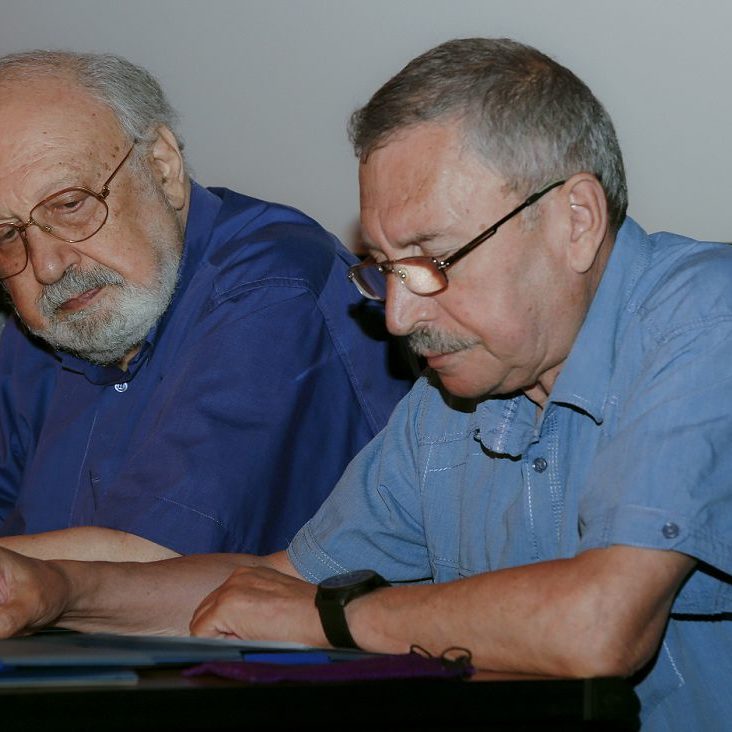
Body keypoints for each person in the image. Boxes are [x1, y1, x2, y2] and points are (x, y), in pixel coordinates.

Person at [0, 38, 730, 730]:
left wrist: (332, 617)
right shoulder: (448, 403)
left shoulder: (708, 317)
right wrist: (55, 590)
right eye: (384, 268)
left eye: (433, 261)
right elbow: (274, 584)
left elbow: (600, 624)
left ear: (576, 220)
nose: (400, 316)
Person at [0, 50, 411, 562]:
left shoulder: (273, 289)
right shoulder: (43, 329)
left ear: (162, 167)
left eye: (69, 205)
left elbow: (151, 566)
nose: (46, 266)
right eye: (6, 235)